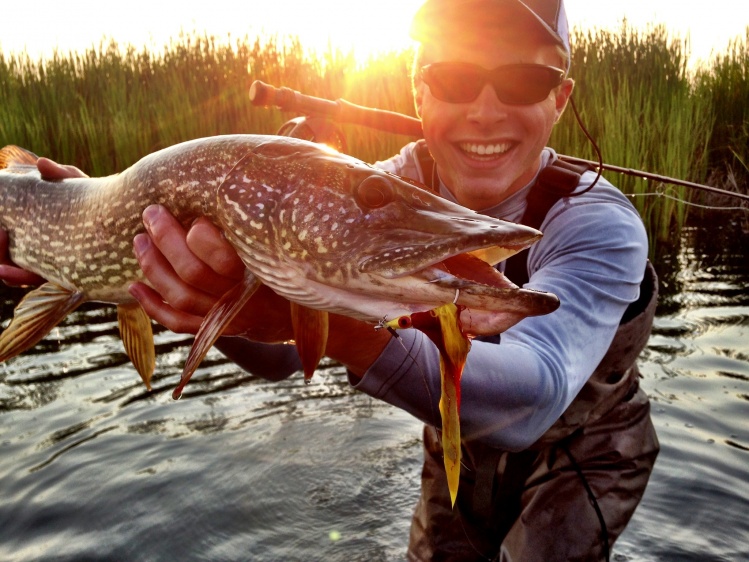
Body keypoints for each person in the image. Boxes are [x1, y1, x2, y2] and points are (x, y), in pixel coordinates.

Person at [0, 1, 660, 559]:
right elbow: (278, 360)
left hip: (587, 455)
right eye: (455, 78)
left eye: (518, 80)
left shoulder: (599, 223)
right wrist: (217, 299)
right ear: (418, 91)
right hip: (451, 444)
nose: (484, 111)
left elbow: (532, 399)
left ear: (559, 98)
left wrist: (334, 328)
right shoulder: (369, 184)